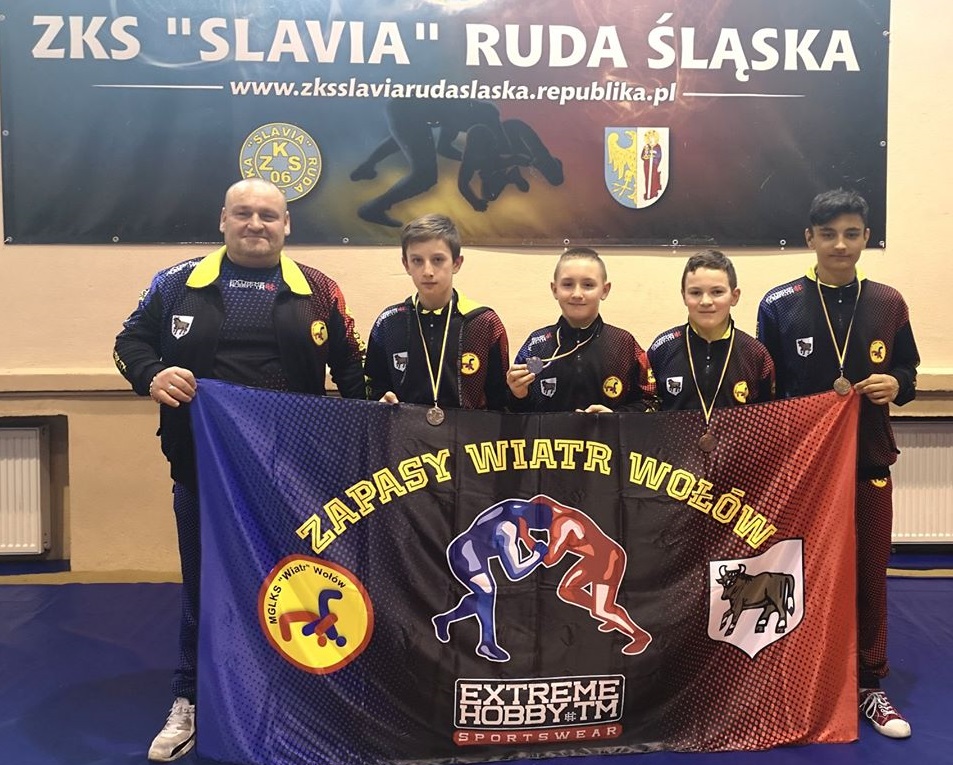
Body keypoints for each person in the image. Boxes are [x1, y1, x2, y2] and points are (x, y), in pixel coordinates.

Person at [113, 177, 366, 762]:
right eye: (244, 213)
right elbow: (130, 342)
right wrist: (151, 374)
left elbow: (352, 369)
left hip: (292, 475)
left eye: (268, 215)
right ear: (223, 220)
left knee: (296, 583)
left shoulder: (320, 290)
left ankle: (299, 696)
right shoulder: (176, 283)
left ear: (287, 225)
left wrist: (380, 415)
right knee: (203, 583)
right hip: (203, 468)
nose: (256, 224)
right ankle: (190, 697)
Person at [756, 189, 919, 740]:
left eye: (851, 233)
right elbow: (766, 390)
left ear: (866, 237)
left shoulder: (888, 302)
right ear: (810, 238)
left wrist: (897, 383)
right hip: (804, 471)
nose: (840, 245)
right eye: (828, 234)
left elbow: (909, 371)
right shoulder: (780, 305)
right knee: (797, 575)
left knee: (870, 574)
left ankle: (870, 683)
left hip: (868, 461)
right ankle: (799, 675)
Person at [363, 213, 509, 415]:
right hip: (405, 431)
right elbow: (375, 385)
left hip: (469, 433)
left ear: (456, 263)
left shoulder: (483, 322)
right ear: (406, 264)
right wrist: (380, 400)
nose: (428, 271)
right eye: (417, 260)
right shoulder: (389, 323)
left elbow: (500, 398)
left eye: (438, 259)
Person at [506, 247, 655, 413]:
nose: (577, 294)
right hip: (551, 431)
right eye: (567, 285)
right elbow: (514, 411)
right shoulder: (536, 345)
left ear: (604, 290)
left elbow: (650, 401)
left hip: (608, 431)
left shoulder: (624, 343)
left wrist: (616, 417)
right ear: (555, 290)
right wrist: (518, 394)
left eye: (588, 285)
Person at [648, 250, 774, 418]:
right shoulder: (663, 348)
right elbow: (647, 405)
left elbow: (769, 416)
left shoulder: (755, 353)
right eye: (695, 293)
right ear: (684, 296)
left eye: (717, 292)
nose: (706, 301)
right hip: (674, 436)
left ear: (734, 296)